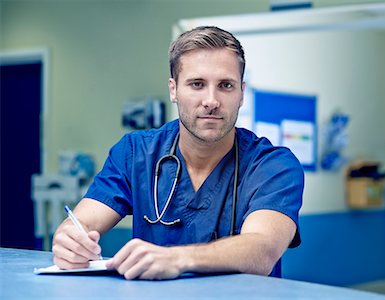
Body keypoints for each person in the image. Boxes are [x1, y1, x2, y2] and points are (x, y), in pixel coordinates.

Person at [52, 26, 304, 280]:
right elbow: (82, 223)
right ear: (173, 90)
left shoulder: (273, 165)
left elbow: (262, 251)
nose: (211, 100)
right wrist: (69, 241)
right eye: (197, 84)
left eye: (226, 85)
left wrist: (177, 258)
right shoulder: (136, 153)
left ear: (241, 93)